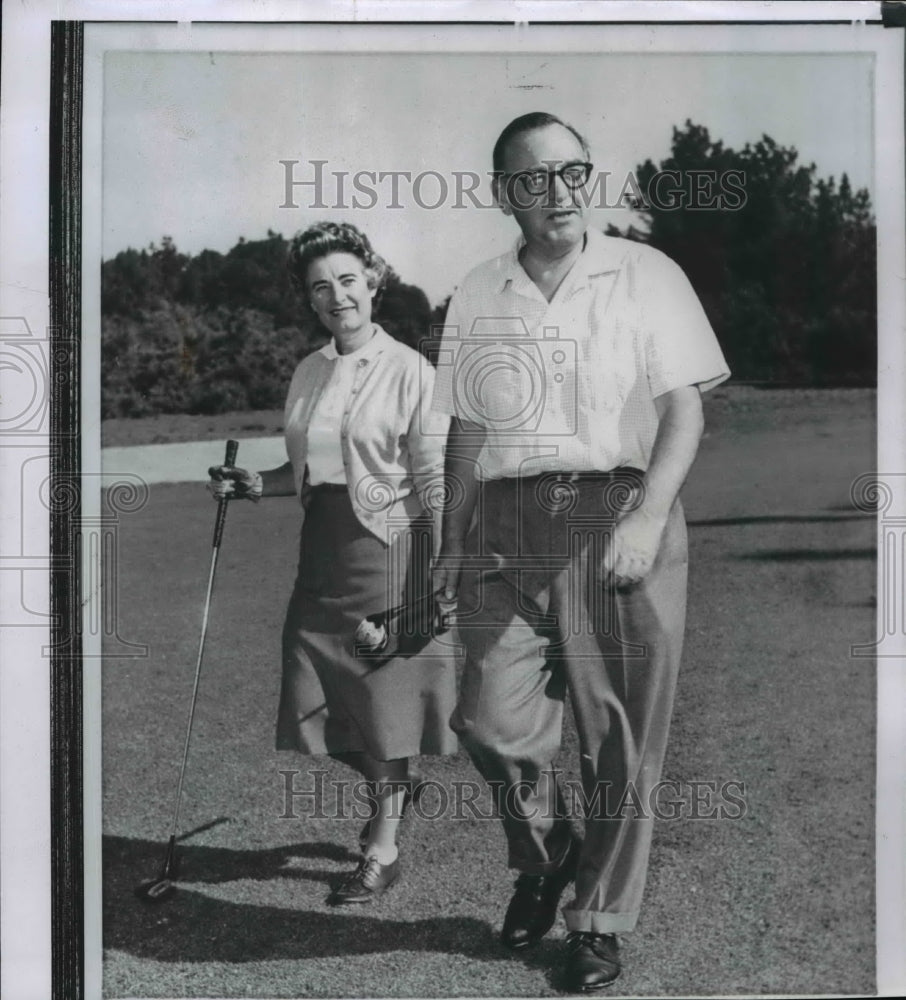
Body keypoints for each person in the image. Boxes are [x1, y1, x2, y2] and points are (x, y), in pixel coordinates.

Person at [432, 113, 730, 989]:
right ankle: (547, 847)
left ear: (588, 180)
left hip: (622, 511)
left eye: (572, 173)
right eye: (533, 179)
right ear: (503, 195)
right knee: (488, 718)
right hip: (508, 520)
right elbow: (468, 425)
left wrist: (645, 519)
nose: (556, 193)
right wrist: (449, 542)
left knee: (619, 740)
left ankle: (598, 917)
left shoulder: (646, 274)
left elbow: (685, 409)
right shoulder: (479, 289)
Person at [208, 221, 456, 905]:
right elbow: (311, 463)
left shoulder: (411, 369)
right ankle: (394, 786)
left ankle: (383, 843)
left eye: (348, 280)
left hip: (386, 549)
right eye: (321, 287)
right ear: (309, 300)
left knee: (380, 701)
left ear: (373, 281)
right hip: (320, 550)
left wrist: (441, 566)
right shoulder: (308, 369)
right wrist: (258, 482)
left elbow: (431, 472)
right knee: (310, 695)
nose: (337, 295)